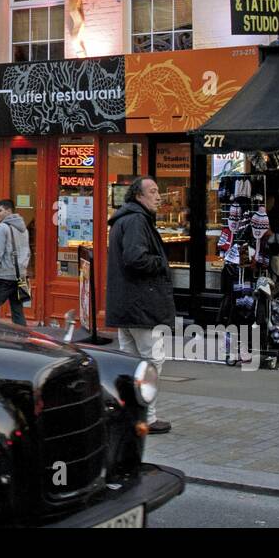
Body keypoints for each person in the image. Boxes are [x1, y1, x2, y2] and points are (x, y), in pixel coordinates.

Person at [105, 176, 175, 434]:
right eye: (153, 191)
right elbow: (136, 258)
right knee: (152, 361)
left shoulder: (124, 219)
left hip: (127, 305)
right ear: (138, 196)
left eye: (158, 191)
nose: (158, 196)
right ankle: (147, 415)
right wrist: (160, 263)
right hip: (142, 305)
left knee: (131, 362)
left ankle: (131, 415)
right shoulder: (136, 220)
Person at [0, 200, 29, 327]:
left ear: (9, 211)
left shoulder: (2, 228)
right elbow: (27, 252)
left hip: (2, 277)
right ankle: (23, 339)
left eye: (0, 210)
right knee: (18, 311)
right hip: (20, 276)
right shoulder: (24, 229)